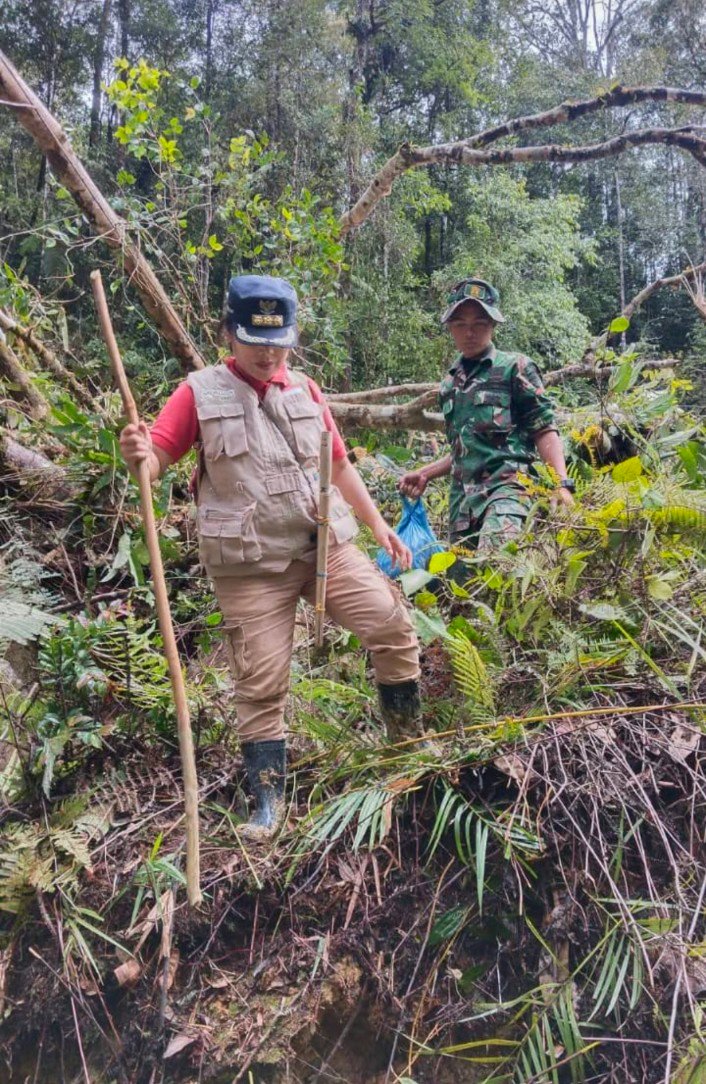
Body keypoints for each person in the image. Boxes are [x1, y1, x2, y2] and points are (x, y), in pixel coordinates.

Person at [120, 274, 428, 841]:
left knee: (392, 624)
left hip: (323, 550)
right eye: (253, 339)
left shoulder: (307, 392)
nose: (267, 353)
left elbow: (338, 466)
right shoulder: (197, 392)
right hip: (250, 566)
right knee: (260, 683)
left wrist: (380, 525)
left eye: (278, 340)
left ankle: (407, 748)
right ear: (226, 335)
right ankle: (267, 800)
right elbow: (158, 458)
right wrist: (140, 455)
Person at [399, 278, 574, 555]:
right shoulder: (449, 384)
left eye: (479, 323)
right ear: (450, 329)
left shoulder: (514, 367)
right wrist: (425, 473)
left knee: (497, 564)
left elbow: (544, 428)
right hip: (463, 506)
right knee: (464, 588)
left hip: (508, 491)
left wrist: (561, 484)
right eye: (460, 325)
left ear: (492, 325)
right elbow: (463, 449)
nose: (469, 332)